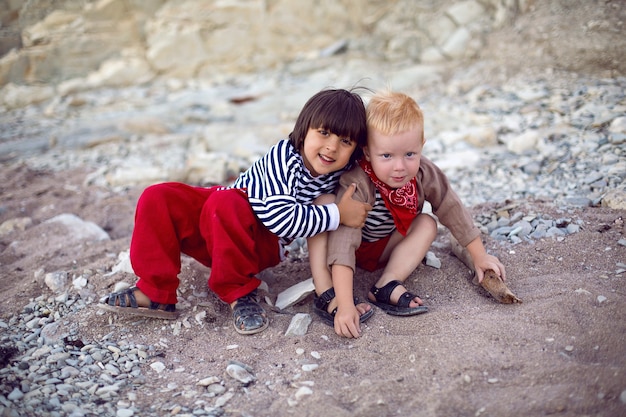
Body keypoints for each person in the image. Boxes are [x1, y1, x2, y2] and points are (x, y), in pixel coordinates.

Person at [99, 88, 373, 335]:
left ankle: (238, 292)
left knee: (226, 201)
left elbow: (379, 168)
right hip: (227, 219)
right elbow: (283, 219)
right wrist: (337, 215)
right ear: (303, 130)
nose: (331, 147)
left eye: (345, 141)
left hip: (256, 240)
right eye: (323, 133)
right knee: (157, 196)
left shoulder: (344, 173)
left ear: (356, 150)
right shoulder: (285, 157)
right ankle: (156, 291)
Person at [308, 90, 506, 338]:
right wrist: (347, 306)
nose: (400, 167)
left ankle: (387, 283)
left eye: (410, 154)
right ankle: (327, 290)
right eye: (387, 156)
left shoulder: (424, 173)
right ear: (367, 152)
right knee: (324, 204)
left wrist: (479, 255)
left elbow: (451, 206)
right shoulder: (358, 181)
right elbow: (343, 240)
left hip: (386, 245)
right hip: (348, 250)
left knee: (427, 223)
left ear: (421, 147)